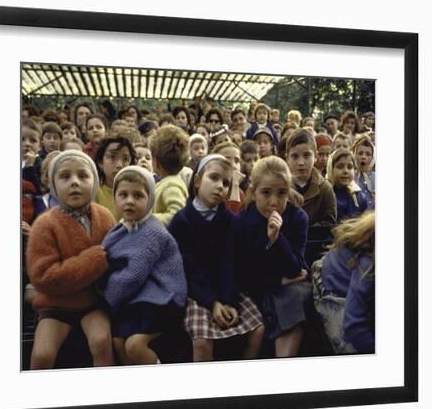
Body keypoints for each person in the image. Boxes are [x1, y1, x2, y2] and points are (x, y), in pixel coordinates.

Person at [169, 154, 264, 361]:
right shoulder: (181, 221)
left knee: (258, 328)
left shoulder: (231, 221)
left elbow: (231, 263)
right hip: (195, 294)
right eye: (214, 178)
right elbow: (187, 269)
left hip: (227, 290)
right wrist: (212, 303)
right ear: (197, 181)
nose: (220, 186)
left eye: (226, 183)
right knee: (202, 340)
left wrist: (229, 301)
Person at [26, 150, 116, 369]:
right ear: (53, 183)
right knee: (42, 354)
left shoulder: (105, 216)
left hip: (92, 303)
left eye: (83, 176)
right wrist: (93, 259)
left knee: (102, 342)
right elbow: (43, 277)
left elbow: (115, 261)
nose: (75, 182)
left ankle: (107, 398)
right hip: (55, 305)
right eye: (65, 177)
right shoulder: (44, 224)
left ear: (94, 181)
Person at [101, 166, 187, 365]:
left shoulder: (152, 231)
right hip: (139, 297)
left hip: (163, 297)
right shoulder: (119, 230)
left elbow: (134, 274)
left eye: (138, 195)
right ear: (115, 198)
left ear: (150, 200)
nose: (129, 201)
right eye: (123, 194)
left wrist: (107, 296)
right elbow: (105, 256)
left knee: (134, 345)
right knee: (117, 341)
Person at [232, 156, 313, 357]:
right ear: (253, 192)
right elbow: (242, 273)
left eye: (282, 193)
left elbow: (298, 269)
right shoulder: (243, 221)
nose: (274, 202)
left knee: (293, 297)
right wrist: (279, 280)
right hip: (258, 289)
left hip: (289, 289)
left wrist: (277, 239)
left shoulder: (297, 217)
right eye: (266, 193)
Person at [311, 211, 375, 354]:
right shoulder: (368, 264)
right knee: (351, 348)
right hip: (331, 285)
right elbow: (354, 324)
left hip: (347, 272)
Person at [285, 129, 337, 228]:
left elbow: (329, 223)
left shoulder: (325, 189)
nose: (301, 162)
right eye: (295, 156)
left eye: (306, 155)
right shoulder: (280, 187)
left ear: (315, 156)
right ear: (287, 158)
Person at [150, 125, 190, 226]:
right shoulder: (166, 182)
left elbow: (177, 215)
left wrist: (147, 220)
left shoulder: (171, 184)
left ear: (155, 161)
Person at [95, 135, 137, 221]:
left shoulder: (138, 191)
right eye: (112, 157)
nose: (119, 165)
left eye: (125, 159)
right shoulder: (94, 192)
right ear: (100, 162)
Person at [326, 148, 368, 221]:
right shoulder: (325, 193)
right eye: (340, 167)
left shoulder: (359, 197)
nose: (345, 171)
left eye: (350, 167)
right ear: (330, 169)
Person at [352, 135, 376, 209]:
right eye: (360, 153)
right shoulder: (350, 178)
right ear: (354, 155)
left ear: (372, 158)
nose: (363, 157)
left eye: (368, 154)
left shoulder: (375, 178)